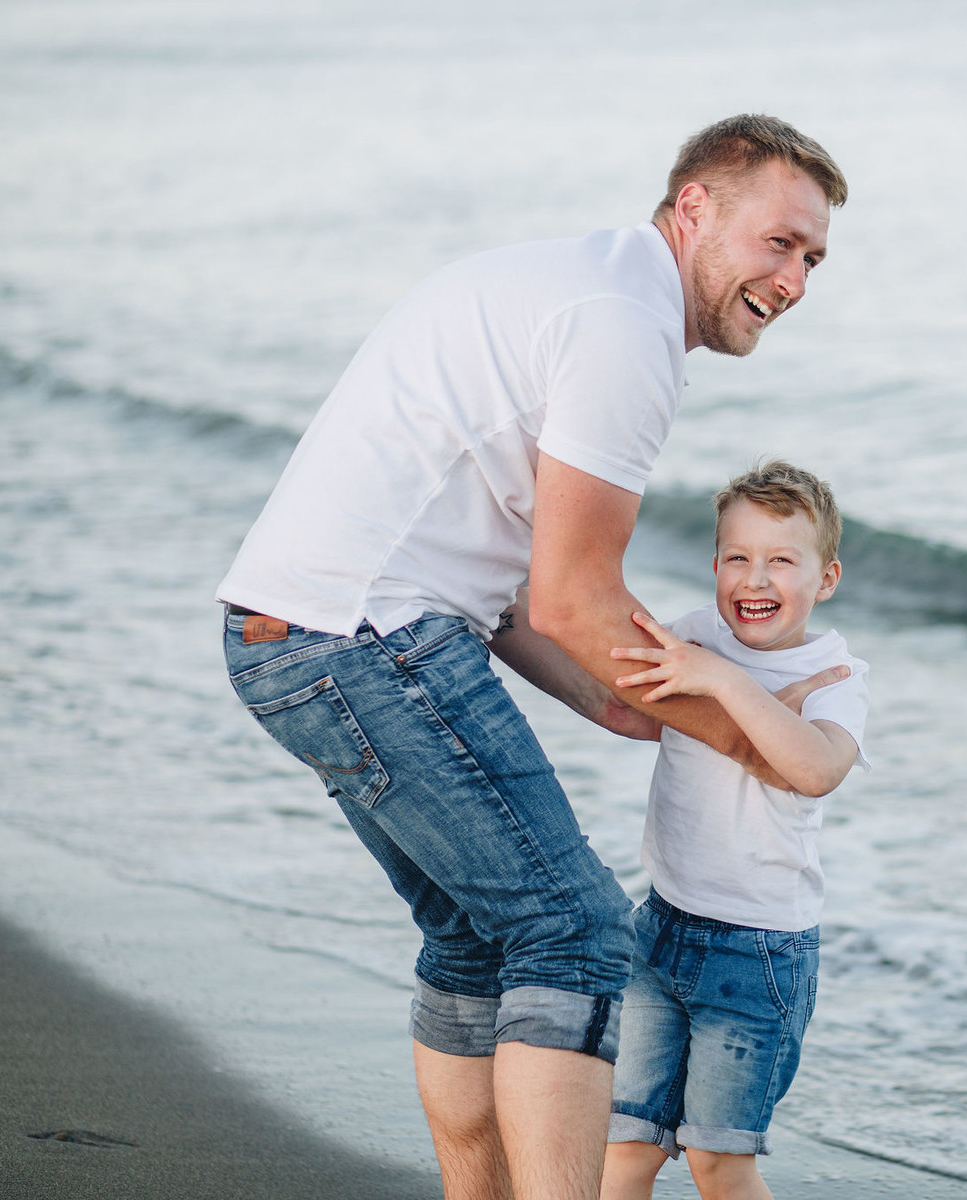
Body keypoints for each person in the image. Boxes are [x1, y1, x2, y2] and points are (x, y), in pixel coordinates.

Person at [215, 116, 849, 1200]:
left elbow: (517, 599)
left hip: (286, 635)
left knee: (477, 941)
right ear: (694, 207)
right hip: (366, 634)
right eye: (779, 243)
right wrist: (757, 737)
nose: (794, 279)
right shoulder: (626, 327)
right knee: (576, 935)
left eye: (813, 260)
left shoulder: (578, 287)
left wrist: (620, 707)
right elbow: (573, 595)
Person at [597, 461, 869, 1200]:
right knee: (622, 1147)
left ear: (827, 578)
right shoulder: (689, 637)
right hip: (658, 928)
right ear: (715, 565)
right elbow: (614, 692)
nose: (757, 578)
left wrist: (723, 681)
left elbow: (815, 768)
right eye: (739, 558)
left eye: (782, 560)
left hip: (758, 954)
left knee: (720, 1162)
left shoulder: (836, 673)